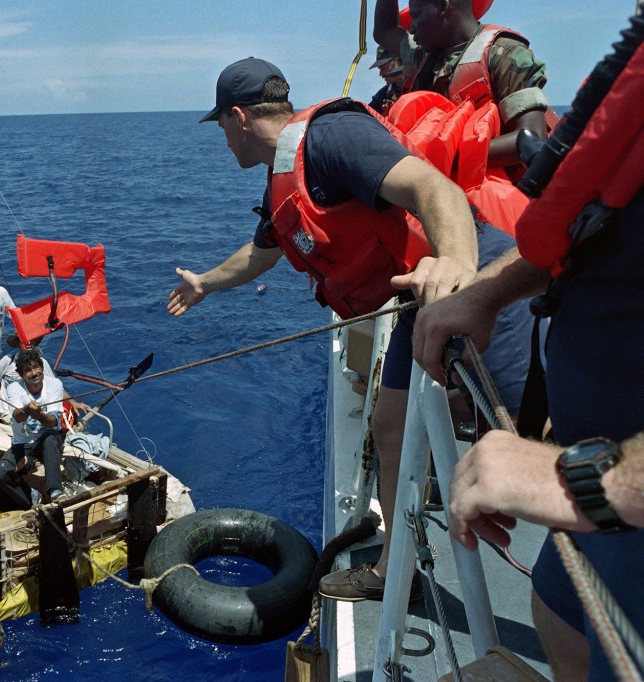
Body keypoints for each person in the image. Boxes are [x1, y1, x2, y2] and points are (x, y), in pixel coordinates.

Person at [171, 57, 534, 602]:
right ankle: (395, 571)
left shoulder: (331, 137)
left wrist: (459, 269)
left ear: (239, 116)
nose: (222, 139)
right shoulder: (286, 174)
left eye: (221, 125)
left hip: (477, 281)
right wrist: (204, 283)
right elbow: (261, 255)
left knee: (525, 441)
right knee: (389, 426)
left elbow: (436, 191)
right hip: (418, 294)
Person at [411, 123, 644, 682]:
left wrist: (592, 481)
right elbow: (598, 225)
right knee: (559, 613)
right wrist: (489, 291)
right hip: (599, 512)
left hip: (612, 494)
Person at [373, 0, 550, 172]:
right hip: (436, 189)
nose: (411, 28)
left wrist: (444, 156)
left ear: (443, 5)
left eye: (416, 17)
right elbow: (384, 30)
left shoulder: (504, 54)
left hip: (487, 191)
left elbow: (532, 137)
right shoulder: (423, 57)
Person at [0, 348, 68, 509]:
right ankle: (30, 500)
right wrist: (28, 409)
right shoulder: (14, 388)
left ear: (42, 367)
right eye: (27, 370)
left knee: (49, 438)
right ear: (21, 375)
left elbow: (52, 422)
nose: (33, 373)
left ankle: (55, 490)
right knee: (2, 475)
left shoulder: (55, 384)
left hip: (49, 437)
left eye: (36, 367)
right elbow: (17, 416)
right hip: (23, 441)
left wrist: (39, 414)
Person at [369, 46, 405, 115]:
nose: (381, 74)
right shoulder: (382, 95)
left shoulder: (420, 85)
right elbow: (367, 113)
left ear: (398, 61)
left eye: (384, 68)